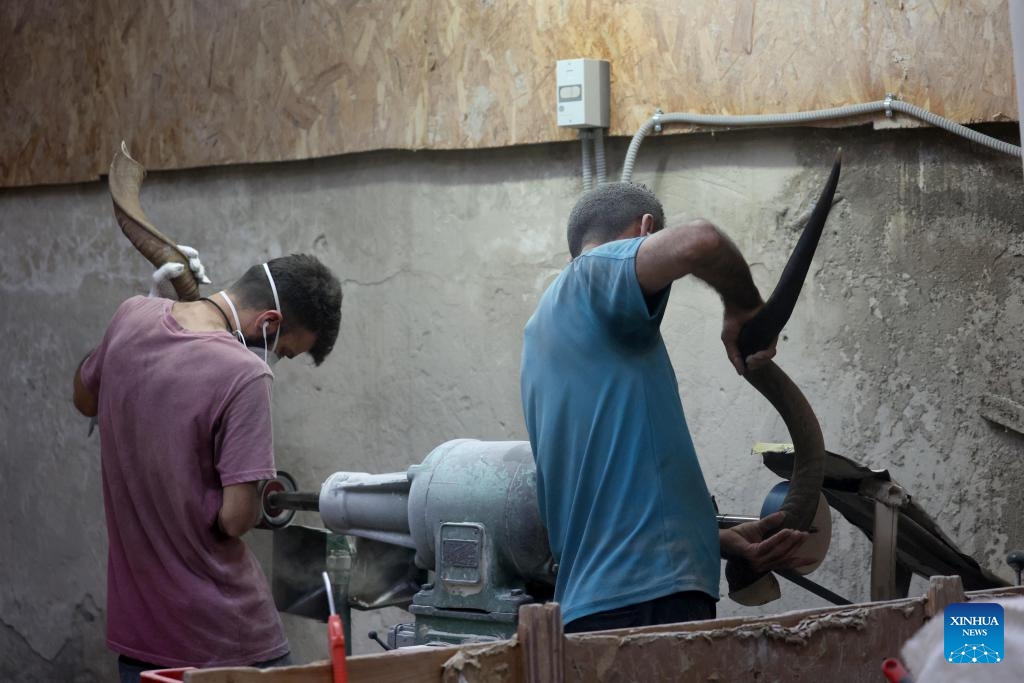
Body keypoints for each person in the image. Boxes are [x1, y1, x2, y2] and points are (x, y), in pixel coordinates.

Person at [520, 183, 812, 633]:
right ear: (646, 230)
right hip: (645, 604)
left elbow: (610, 494)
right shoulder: (592, 274)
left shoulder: (551, 329)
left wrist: (716, 542)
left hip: (601, 606)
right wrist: (745, 306)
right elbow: (702, 241)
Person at [72, 253, 342, 681]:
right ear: (269, 323)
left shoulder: (131, 316)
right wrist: (254, 494)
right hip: (223, 639)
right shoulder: (245, 375)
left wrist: (133, 320)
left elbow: (84, 398)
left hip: (140, 634)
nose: (276, 360)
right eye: (285, 352)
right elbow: (235, 519)